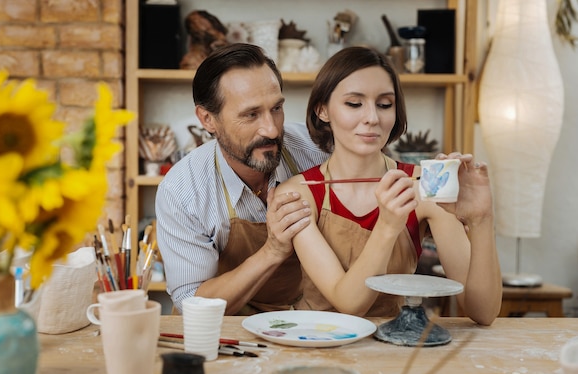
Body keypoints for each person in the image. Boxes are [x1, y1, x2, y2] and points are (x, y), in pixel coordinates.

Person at [275, 46, 502, 325]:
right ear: (322, 110)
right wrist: (387, 226)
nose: (372, 117)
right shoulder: (299, 193)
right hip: (313, 341)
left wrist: (481, 219)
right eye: (354, 104)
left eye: (384, 104)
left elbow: (482, 312)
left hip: (394, 345)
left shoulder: (425, 185)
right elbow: (349, 304)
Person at [155, 43, 328, 315]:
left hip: (307, 317)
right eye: (251, 115)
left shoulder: (317, 152)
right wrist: (272, 250)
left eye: (277, 108)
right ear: (208, 119)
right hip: (225, 326)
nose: (271, 130)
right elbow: (193, 302)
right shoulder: (182, 190)